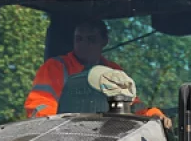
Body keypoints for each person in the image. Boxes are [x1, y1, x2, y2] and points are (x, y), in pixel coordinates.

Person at [24, 19, 170, 127]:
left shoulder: (113, 71)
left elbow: (131, 105)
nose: (83, 44)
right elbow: (41, 105)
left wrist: (153, 116)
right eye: (79, 39)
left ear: (104, 41)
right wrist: (60, 126)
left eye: (91, 39)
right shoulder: (55, 67)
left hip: (105, 139)